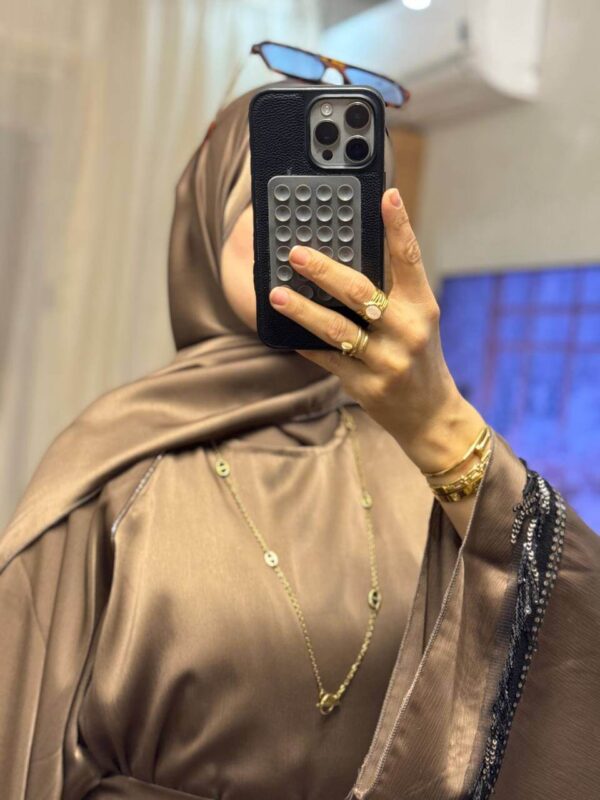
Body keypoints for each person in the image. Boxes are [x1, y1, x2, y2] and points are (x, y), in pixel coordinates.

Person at [1, 79, 599, 800]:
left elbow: (570, 651)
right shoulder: (111, 460)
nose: (307, 223)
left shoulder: (433, 452)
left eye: (344, 197)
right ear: (205, 219)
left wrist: (440, 424)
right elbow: (23, 748)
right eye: (273, 189)